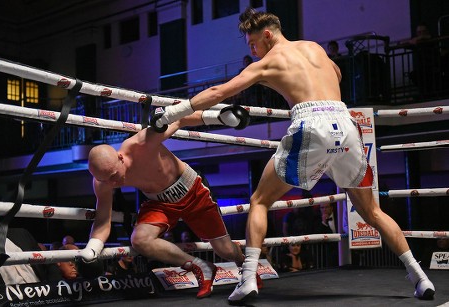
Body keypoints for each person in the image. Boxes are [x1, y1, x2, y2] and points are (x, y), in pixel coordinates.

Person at [151, 7, 435, 304]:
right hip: (346, 126)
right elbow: (337, 73)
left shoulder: (268, 62)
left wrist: (173, 112)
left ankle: (247, 279)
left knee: (259, 201)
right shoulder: (314, 48)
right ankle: (419, 276)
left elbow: (219, 91)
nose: (253, 50)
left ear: (267, 35)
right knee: (372, 212)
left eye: (252, 44)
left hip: (311, 124)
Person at [83, 109, 252, 299]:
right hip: (160, 202)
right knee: (140, 240)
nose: (113, 184)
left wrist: (220, 117)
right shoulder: (102, 181)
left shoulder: (142, 144)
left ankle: (246, 268)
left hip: (192, 190)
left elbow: (180, 119)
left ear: (120, 158)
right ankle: (201, 266)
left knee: (225, 250)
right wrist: (93, 247)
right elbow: (103, 220)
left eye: (114, 176)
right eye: (106, 180)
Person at [0, 215, 62, 285]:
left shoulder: (20, 233)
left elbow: (48, 265)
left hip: (44, 293)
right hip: (8, 296)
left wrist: (55, 290)